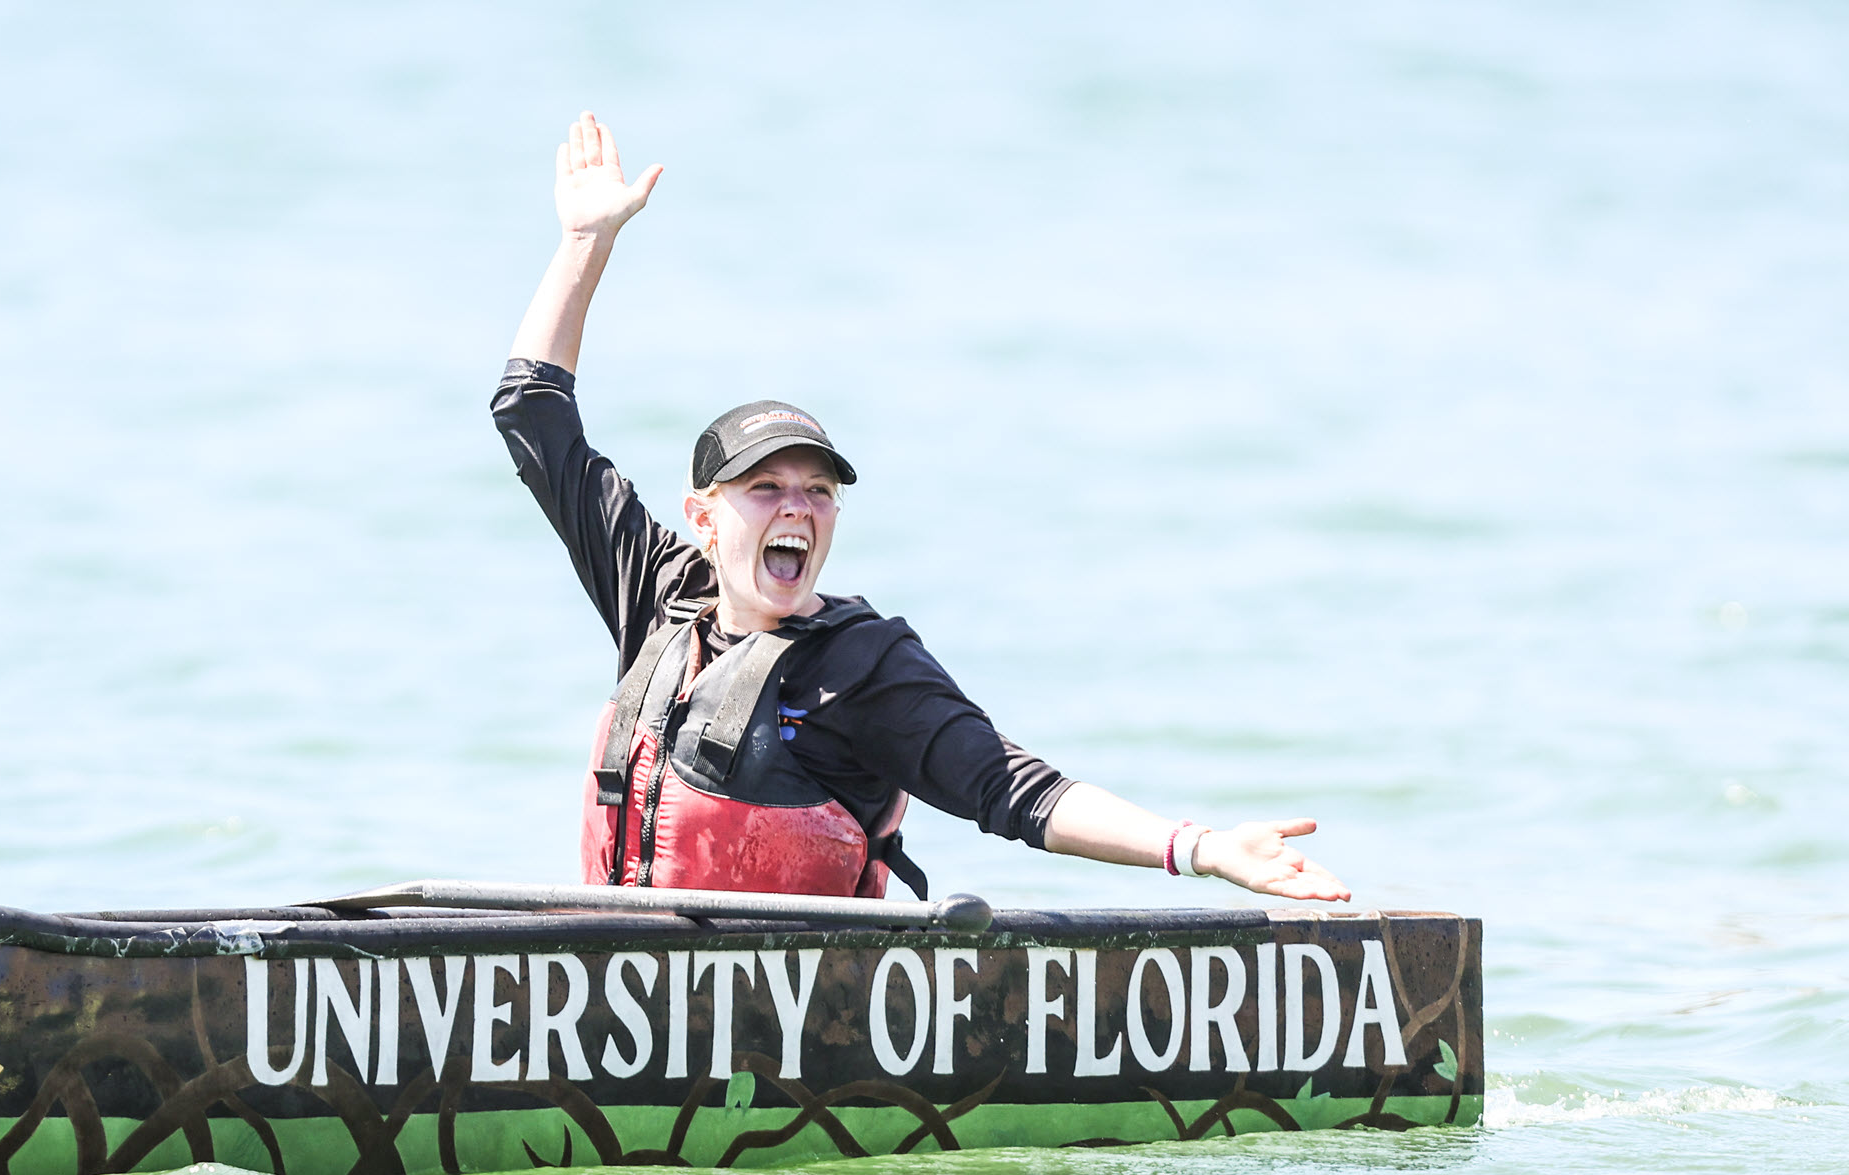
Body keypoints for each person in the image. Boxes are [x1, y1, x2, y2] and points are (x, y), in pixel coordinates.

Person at [492, 112, 1349, 905]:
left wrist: (1201, 849)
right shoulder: (657, 590)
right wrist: (584, 241)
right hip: (630, 1003)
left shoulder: (864, 668)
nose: (799, 508)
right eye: (767, 489)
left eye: (818, 492)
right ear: (704, 517)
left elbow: (1016, 790)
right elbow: (531, 413)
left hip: (802, 1031)